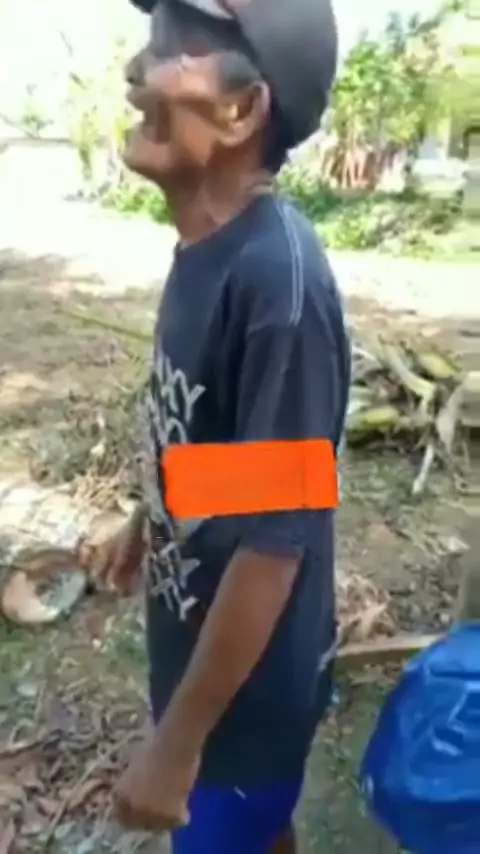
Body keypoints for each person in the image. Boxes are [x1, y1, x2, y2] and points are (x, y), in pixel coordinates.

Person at [97, 0, 350, 851]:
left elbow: (275, 546)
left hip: (243, 705)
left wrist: (177, 747)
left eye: (173, 45)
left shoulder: (280, 286)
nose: (136, 68)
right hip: (200, 658)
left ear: (241, 110)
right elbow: (224, 449)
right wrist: (152, 514)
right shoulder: (208, 248)